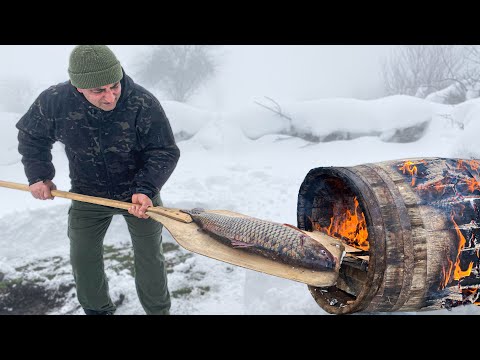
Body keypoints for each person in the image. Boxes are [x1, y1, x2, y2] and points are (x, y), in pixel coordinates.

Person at [16, 45, 180, 315]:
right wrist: (39, 176)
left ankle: (159, 311)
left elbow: (163, 150)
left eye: (114, 86)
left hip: (139, 195)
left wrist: (146, 188)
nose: (110, 96)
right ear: (78, 86)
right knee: (83, 257)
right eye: (98, 91)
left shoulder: (142, 101)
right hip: (87, 193)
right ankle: (97, 310)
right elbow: (32, 136)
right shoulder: (55, 101)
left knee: (150, 257)